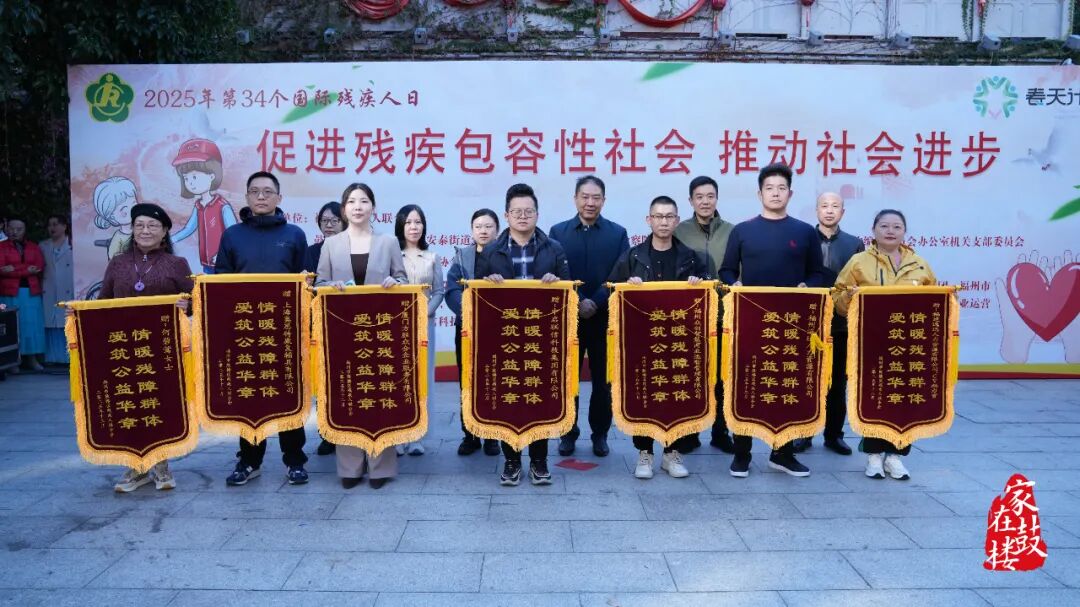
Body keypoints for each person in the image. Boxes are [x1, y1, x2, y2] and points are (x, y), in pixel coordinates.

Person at [719, 163, 825, 478]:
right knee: (747, 383)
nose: (775, 193)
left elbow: (817, 273)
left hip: (792, 324)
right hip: (751, 321)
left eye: (781, 188)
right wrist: (735, 284)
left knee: (787, 383)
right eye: (769, 188)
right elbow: (726, 271)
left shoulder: (804, 232)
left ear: (790, 194)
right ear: (759, 193)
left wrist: (808, 286)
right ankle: (742, 453)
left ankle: (783, 453)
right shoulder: (743, 230)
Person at [216, 171, 311, 487]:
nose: (261, 196)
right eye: (254, 191)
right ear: (246, 197)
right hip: (245, 331)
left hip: (284, 331)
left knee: (288, 394)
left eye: (267, 191)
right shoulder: (232, 235)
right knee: (249, 397)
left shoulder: (294, 235)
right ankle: (249, 460)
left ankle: (294, 460)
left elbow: (306, 282)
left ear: (279, 198)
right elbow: (220, 282)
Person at [475, 183, 571, 487]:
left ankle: (540, 461)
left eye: (528, 211)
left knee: (539, 397)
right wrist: (487, 282)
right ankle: (512, 460)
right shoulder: (491, 250)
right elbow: (475, 297)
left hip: (541, 336)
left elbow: (570, 290)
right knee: (509, 399)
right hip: (504, 338)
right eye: (516, 211)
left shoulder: (553, 248)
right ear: (506, 215)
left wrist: (556, 282)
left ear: (537, 214)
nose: (522, 216)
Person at [608, 196, 708, 479]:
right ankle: (645, 452)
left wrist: (698, 285)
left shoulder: (691, 257)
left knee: (676, 395)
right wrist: (627, 286)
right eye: (658, 216)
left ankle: (671, 452)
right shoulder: (633, 256)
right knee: (643, 394)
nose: (664, 222)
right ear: (648, 220)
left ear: (677, 221)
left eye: (669, 216)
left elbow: (710, 293)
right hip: (643, 340)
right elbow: (611, 290)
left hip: (679, 340)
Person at [833, 209, 937, 481]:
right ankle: (874, 455)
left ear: (904, 232)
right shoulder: (859, 262)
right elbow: (837, 298)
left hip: (908, 344)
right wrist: (849, 297)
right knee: (874, 397)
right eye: (884, 226)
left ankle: (896, 455)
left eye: (896, 226)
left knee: (904, 397)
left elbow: (935, 300)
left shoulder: (919, 265)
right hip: (871, 342)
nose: (890, 231)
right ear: (874, 230)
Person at [316, 183, 407, 489]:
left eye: (364, 201)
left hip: (380, 331)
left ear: (373, 207)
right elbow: (319, 284)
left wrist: (395, 283)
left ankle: (381, 466)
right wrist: (331, 286)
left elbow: (403, 279)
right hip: (342, 332)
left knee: (381, 396)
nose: (358, 206)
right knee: (346, 397)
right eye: (352, 201)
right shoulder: (331, 245)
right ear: (344, 209)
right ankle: (350, 467)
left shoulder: (388, 242)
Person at [97, 203, 193, 491]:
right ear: (132, 230)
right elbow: (102, 303)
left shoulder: (177, 264)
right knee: (130, 405)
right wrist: (76, 315)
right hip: (124, 347)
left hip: (162, 348)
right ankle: (136, 467)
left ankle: (161, 464)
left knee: (160, 404)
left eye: (152, 226)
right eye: (139, 225)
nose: (145, 230)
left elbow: (197, 301)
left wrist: (186, 305)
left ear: (164, 232)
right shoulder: (118, 263)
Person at [549, 176, 629, 458]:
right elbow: (556, 272)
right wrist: (579, 299)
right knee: (567, 377)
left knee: (603, 381)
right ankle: (567, 432)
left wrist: (595, 301)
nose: (590, 202)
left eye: (596, 198)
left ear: (603, 201)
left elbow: (620, 274)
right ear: (575, 199)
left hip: (604, 318)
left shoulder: (618, 234)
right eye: (585, 197)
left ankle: (600, 434)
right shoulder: (557, 232)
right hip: (568, 319)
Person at [792, 192, 865, 456]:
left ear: (842, 212)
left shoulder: (854, 244)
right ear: (816, 210)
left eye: (835, 206)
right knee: (806, 381)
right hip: (808, 323)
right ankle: (803, 434)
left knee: (837, 384)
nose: (829, 210)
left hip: (841, 323)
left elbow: (861, 282)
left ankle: (834, 435)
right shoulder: (802, 240)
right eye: (824, 206)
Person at [674, 176, 735, 454]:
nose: (705, 201)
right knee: (692, 375)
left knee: (722, 376)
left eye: (710, 196)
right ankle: (690, 432)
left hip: (724, 315)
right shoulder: (679, 231)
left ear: (717, 199)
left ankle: (721, 432)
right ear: (691, 201)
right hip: (691, 317)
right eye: (699, 197)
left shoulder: (733, 231)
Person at [445, 209, 502, 457]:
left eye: (488, 226)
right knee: (467, 381)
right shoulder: (462, 256)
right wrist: (470, 313)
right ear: (472, 230)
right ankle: (470, 435)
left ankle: (492, 436)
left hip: (499, 330)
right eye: (478, 226)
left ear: (498, 230)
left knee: (494, 381)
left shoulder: (505, 255)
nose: (483, 231)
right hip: (467, 328)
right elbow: (451, 291)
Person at [393, 204, 445, 456]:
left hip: (425, 325)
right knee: (399, 380)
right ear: (400, 226)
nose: (414, 227)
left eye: (418, 222)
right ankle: (398, 434)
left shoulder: (432, 257)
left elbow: (439, 291)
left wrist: (426, 312)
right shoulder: (392, 256)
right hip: (397, 326)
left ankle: (417, 437)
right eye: (409, 222)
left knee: (422, 379)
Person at [305, 201, 343, 457]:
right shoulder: (311, 252)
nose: (328, 225)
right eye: (324, 221)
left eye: (334, 221)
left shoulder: (354, 249)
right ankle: (327, 434)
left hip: (347, 322)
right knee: (323, 380)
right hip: (319, 323)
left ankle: (347, 426)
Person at [170, 138, 238, 273]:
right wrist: (171, 239)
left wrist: (223, 254)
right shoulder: (198, 206)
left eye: (194, 177)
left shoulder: (222, 206)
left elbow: (234, 234)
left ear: (212, 175)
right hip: (207, 264)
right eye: (186, 178)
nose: (190, 183)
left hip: (226, 264)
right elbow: (189, 228)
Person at [0, 218, 46, 371]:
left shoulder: (33, 247)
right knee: (12, 326)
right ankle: (13, 360)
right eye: (12, 228)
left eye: (19, 229)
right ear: (6, 229)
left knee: (32, 326)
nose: (15, 232)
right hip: (9, 292)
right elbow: (2, 269)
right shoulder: (1, 247)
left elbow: (39, 267)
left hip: (31, 292)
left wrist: (14, 268)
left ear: (25, 230)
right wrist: (26, 270)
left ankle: (31, 359)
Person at [40, 214, 74, 366]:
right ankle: (52, 357)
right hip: (49, 287)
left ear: (64, 226)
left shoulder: (73, 244)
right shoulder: (43, 246)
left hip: (68, 286)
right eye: (49, 225)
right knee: (51, 321)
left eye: (55, 224)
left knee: (66, 320)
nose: (52, 228)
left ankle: (68, 357)